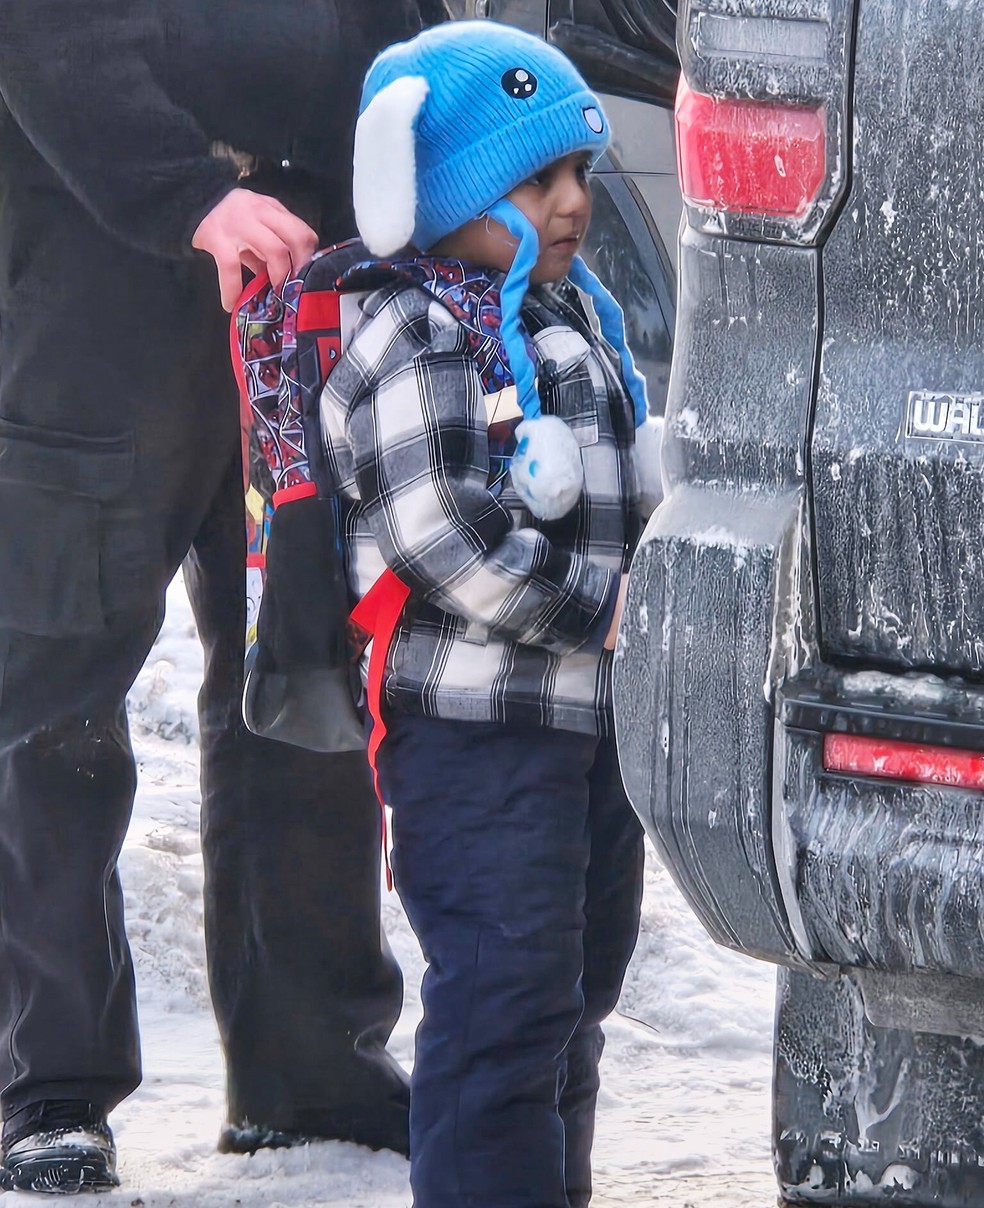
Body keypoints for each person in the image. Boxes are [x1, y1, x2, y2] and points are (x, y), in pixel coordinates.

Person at [0, 0, 429, 1194]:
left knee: (303, 685)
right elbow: (39, 30)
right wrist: (189, 194)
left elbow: (402, 46)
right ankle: (53, 1087)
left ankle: (309, 1073)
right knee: (54, 700)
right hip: (97, 317)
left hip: (308, 312)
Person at [319, 21, 655, 1206]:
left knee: (570, 1001)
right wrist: (605, 611)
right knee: (503, 1004)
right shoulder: (413, 329)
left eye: (577, 175)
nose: (571, 202)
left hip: (585, 730)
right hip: (474, 733)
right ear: (443, 183)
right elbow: (443, 538)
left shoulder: (575, 320)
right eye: (536, 179)